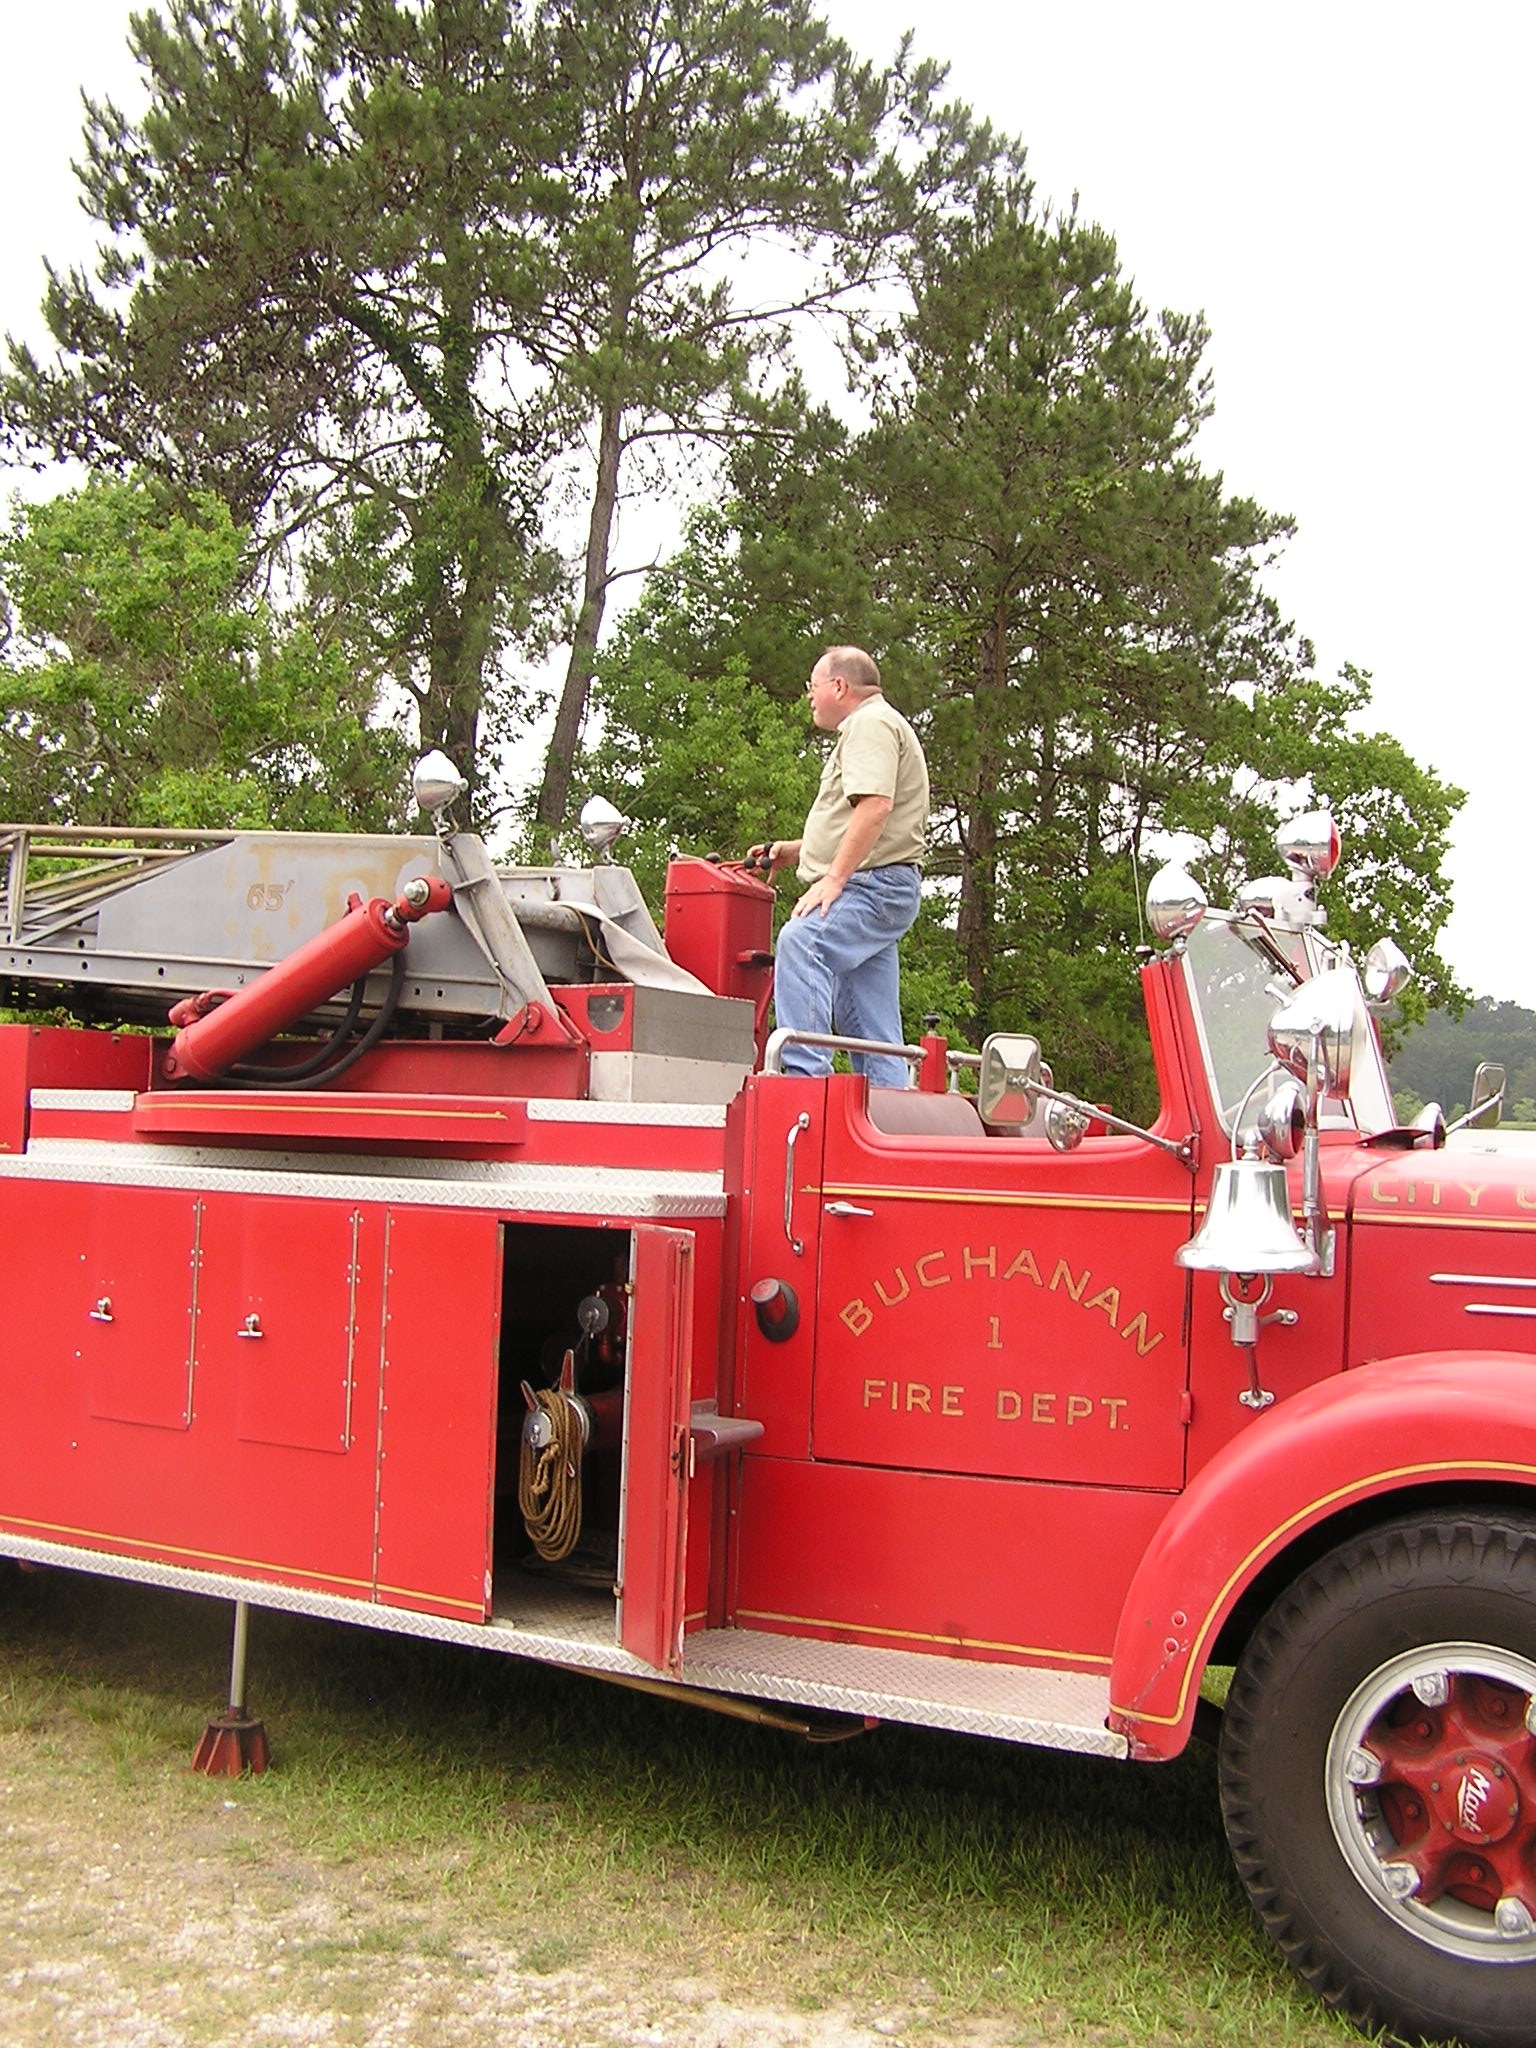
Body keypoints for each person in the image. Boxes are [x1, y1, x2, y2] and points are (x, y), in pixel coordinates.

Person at [749, 645, 929, 1088]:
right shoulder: (878, 724)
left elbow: (874, 808)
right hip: (883, 884)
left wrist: (833, 878)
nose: (809, 697)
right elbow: (856, 820)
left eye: (813, 687)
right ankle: (890, 1108)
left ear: (839, 686)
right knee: (871, 1019)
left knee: (801, 942)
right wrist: (796, 851)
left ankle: (805, 1085)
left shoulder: (868, 725)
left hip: (873, 886)